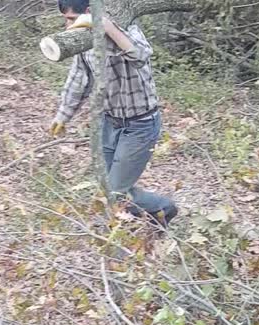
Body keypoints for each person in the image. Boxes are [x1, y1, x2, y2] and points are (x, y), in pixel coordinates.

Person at [49, 0, 177, 228]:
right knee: (108, 186)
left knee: (115, 193)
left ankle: (161, 211)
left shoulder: (124, 26)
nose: (68, 25)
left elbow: (141, 55)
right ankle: (152, 212)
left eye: (71, 19)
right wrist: (62, 116)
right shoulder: (81, 40)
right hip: (109, 123)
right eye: (65, 19)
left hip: (140, 125)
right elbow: (79, 80)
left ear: (88, 12)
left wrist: (108, 29)